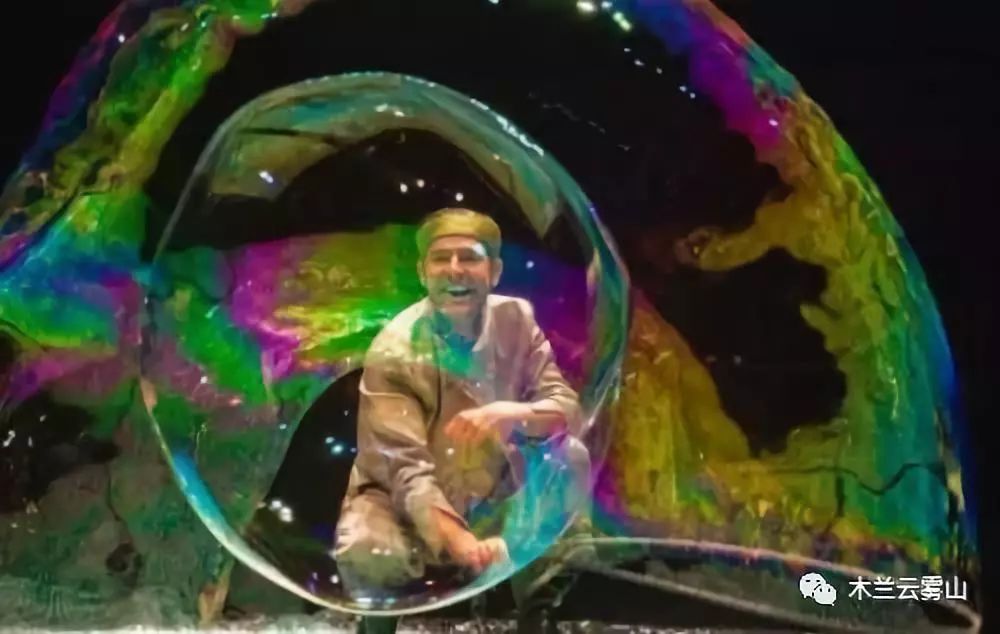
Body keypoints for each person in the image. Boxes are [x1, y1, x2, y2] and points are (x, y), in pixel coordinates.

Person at [333, 208, 590, 612]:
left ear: (494, 271)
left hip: (493, 488)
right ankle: (377, 625)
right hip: (406, 505)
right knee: (368, 547)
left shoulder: (517, 319)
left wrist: (509, 414)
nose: (455, 270)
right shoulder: (395, 349)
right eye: (441, 258)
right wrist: (461, 542)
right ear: (423, 273)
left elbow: (566, 410)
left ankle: (537, 612)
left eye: (469, 257)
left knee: (569, 457)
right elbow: (405, 470)